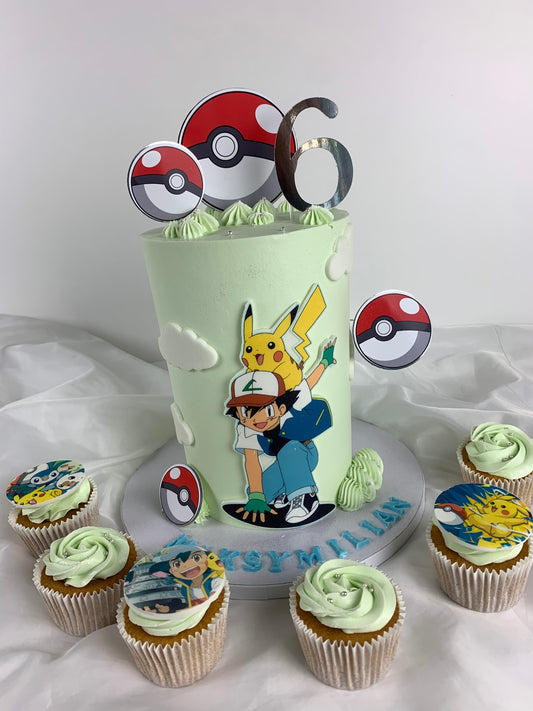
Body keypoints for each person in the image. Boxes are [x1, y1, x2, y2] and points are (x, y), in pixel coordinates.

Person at [226, 340, 336, 525]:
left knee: (290, 449)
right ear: (238, 414)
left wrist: (325, 361)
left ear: (281, 407)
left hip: (304, 454)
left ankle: (305, 497)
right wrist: (256, 496)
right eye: (246, 412)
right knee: (258, 490)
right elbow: (251, 460)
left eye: (267, 409)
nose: (257, 419)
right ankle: (286, 491)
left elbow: (310, 382)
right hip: (283, 462)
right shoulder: (246, 429)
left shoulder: (291, 405)